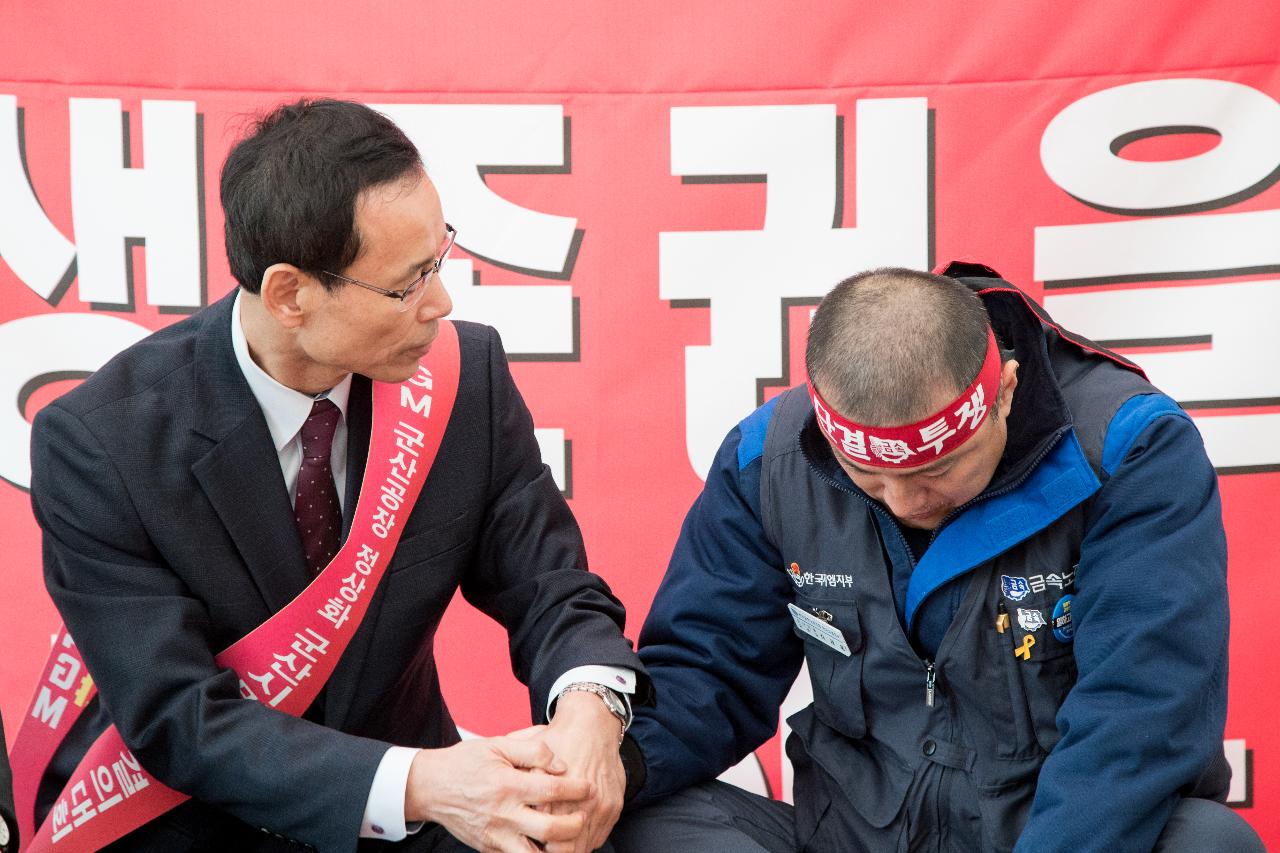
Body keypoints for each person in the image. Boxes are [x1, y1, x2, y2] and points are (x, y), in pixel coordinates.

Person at [28, 98, 649, 853]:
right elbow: (177, 717)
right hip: (201, 821)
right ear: (291, 293)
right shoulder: (103, 444)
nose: (442, 303)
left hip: (418, 824)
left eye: (440, 258)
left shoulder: (463, 381)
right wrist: (425, 782)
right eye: (408, 282)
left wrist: (589, 709)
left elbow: (552, 587)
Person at [613, 263, 1263, 852]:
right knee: (621, 811)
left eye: (937, 470)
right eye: (867, 476)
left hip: (1050, 837)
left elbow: (1135, 720)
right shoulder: (769, 457)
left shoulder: (1127, 450)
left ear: (1003, 392)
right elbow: (708, 668)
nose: (902, 500)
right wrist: (601, 768)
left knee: (1207, 842)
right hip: (851, 839)